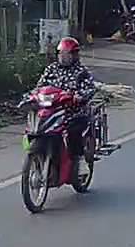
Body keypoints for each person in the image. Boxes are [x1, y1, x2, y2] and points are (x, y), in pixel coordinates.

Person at [34, 37, 97, 170]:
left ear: (74, 55)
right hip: (52, 111)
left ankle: (78, 162)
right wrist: (32, 96)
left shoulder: (81, 72)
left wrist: (80, 97)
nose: (63, 57)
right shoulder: (51, 69)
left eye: (67, 54)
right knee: (36, 129)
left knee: (74, 133)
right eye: (61, 53)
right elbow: (40, 86)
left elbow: (90, 88)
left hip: (73, 112)